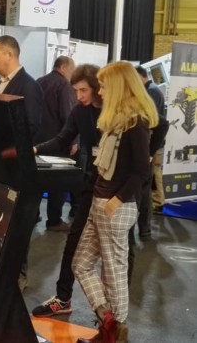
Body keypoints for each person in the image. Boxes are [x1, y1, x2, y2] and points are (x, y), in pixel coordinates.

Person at [72, 61, 158, 343]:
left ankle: (113, 332)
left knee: (113, 273)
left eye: (104, 86)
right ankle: (109, 323)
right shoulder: (117, 121)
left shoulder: (135, 123)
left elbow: (141, 171)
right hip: (101, 202)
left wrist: (116, 200)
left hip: (115, 207)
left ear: (119, 86)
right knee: (81, 264)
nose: (100, 91)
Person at [32, 64, 102, 318]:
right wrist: (35, 149)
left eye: (83, 90)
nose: (79, 96)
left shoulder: (116, 110)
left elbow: (157, 125)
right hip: (91, 185)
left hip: (116, 193)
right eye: (76, 91)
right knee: (73, 242)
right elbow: (63, 138)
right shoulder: (80, 111)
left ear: (97, 87)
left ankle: (115, 314)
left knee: (117, 254)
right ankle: (63, 299)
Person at [0, 34, 47, 291]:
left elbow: (31, 127)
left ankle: (17, 275)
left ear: (9, 55)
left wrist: (8, 151)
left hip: (16, 168)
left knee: (17, 224)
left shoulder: (29, 86)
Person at [37, 56, 77, 231]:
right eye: (72, 70)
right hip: (57, 142)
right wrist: (73, 140)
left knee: (36, 181)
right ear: (63, 67)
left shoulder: (38, 82)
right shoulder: (64, 86)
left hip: (38, 141)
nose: (72, 74)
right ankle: (54, 220)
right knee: (59, 183)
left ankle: (33, 215)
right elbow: (67, 115)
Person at [135, 65, 167, 215]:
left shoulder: (151, 91)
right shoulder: (153, 89)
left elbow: (153, 119)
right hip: (154, 140)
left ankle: (158, 202)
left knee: (154, 174)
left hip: (154, 141)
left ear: (140, 76)